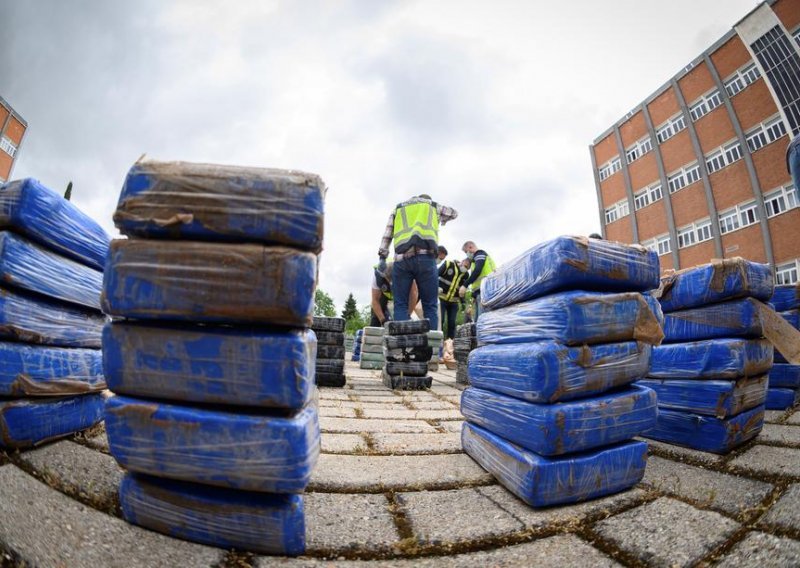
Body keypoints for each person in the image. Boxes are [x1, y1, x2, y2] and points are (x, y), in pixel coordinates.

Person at [378, 194, 458, 329]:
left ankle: (401, 345)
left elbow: (388, 234)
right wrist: (441, 219)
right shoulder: (432, 205)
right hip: (426, 259)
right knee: (430, 305)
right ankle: (430, 346)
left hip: (402, 260)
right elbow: (454, 213)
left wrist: (382, 256)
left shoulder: (398, 209)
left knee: (401, 304)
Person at [370, 261, 418, 326]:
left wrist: (408, 315)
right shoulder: (377, 276)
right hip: (384, 295)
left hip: (402, 293)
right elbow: (375, 300)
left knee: (402, 315)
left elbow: (414, 295)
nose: (391, 283)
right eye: (389, 280)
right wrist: (383, 321)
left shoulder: (406, 272)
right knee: (376, 317)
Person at [459, 241, 496, 319]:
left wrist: (465, 285)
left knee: (482, 319)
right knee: (478, 320)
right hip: (481, 292)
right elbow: (476, 282)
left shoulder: (480, 254)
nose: (467, 254)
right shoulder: (475, 261)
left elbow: (478, 270)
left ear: (470, 247)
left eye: (466, 252)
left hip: (486, 290)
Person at [437, 245, 465, 340]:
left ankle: (450, 343)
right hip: (442, 299)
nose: (465, 267)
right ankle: (439, 342)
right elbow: (435, 274)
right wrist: (436, 287)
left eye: (467, 267)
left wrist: (463, 302)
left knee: (452, 323)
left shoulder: (464, 275)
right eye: (465, 265)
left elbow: (462, 289)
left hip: (453, 302)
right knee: (441, 321)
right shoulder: (448, 264)